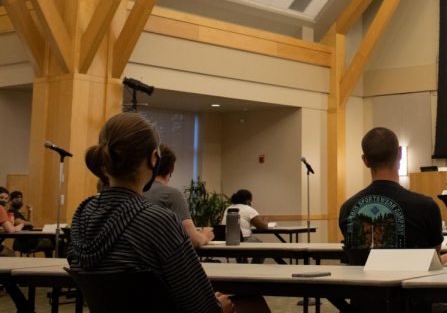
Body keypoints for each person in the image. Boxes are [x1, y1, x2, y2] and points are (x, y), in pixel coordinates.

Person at [68, 113, 269, 313]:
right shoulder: (157, 220)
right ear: (154, 158)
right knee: (253, 304)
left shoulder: (81, 216)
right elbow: (199, 306)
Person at [340, 127, 447, 267]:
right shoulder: (425, 206)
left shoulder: (347, 208)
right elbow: (433, 259)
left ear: (365, 160)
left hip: (367, 287)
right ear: (400, 153)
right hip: (412, 284)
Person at [144, 144, 213, 248]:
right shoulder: (172, 195)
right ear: (171, 170)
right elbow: (193, 240)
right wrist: (204, 236)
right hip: (161, 260)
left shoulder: (134, 192)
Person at [0, 186, 25, 257]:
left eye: (6, 198)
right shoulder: (0, 208)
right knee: (11, 254)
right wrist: (19, 227)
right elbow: (11, 230)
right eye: (1, 198)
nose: (4, 200)